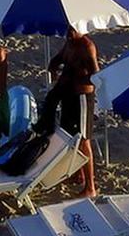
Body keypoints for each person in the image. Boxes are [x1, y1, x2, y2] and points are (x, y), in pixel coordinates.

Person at [42, 26, 98, 196]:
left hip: (82, 96)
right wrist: (54, 69)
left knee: (83, 140)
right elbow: (58, 59)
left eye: (73, 30)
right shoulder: (70, 43)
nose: (69, 33)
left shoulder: (87, 46)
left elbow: (96, 75)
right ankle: (77, 174)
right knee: (68, 135)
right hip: (68, 93)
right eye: (67, 29)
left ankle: (90, 187)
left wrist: (73, 75)